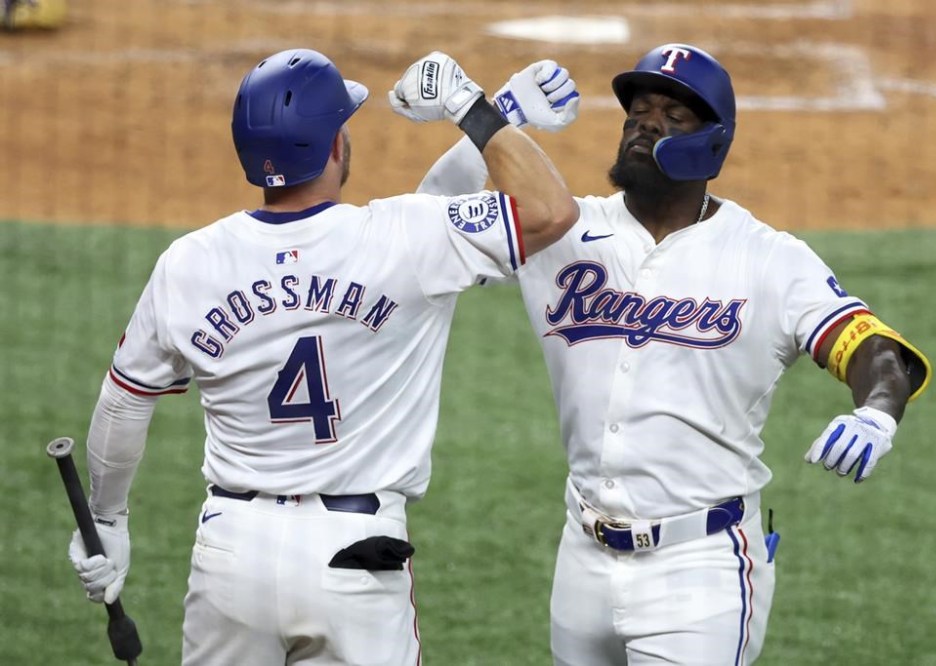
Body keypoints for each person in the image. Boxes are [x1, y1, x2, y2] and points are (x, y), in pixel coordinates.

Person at [417, 43, 932, 665]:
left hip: (700, 572)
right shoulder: (560, 230)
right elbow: (429, 222)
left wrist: (876, 413)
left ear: (712, 142)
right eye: (637, 111)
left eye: (671, 114)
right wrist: (499, 117)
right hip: (581, 559)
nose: (645, 123)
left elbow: (873, 349)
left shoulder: (768, 258)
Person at [66, 48, 580, 665]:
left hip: (231, 557)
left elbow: (123, 404)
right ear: (336, 145)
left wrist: (108, 519)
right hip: (353, 560)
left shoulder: (189, 262)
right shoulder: (402, 241)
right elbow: (547, 210)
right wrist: (481, 109)